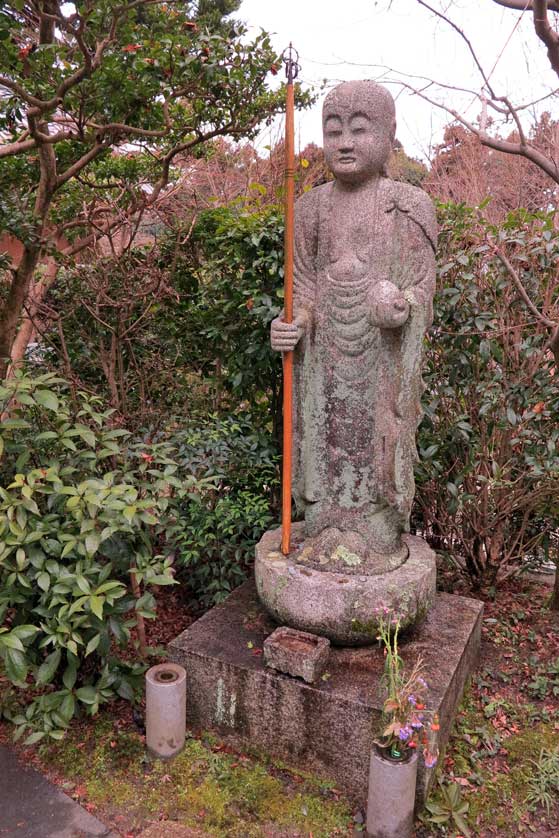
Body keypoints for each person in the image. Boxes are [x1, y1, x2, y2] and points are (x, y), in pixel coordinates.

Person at [270, 80, 437, 572]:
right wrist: (291, 324)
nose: (343, 142)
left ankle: (376, 519)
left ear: (389, 135)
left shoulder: (408, 205)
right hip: (324, 358)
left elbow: (421, 286)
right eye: (333, 129)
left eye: (359, 130)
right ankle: (326, 516)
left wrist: (402, 306)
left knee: (376, 436)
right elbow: (300, 287)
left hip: (381, 361)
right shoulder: (310, 207)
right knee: (323, 436)